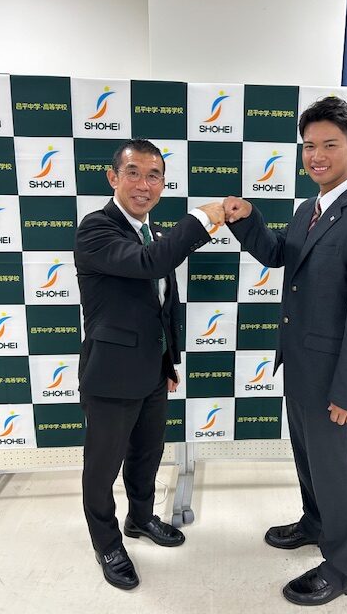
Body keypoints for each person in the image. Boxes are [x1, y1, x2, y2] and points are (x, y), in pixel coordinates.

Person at [223, 97, 347, 606]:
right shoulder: (311, 207)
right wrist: (248, 218)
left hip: (338, 380)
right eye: (308, 146)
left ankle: (346, 569)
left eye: (329, 145)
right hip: (301, 366)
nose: (317, 156)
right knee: (310, 462)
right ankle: (316, 523)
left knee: (339, 474)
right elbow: (280, 253)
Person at [74, 138, 224, 590]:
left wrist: (169, 360)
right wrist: (201, 219)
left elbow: (163, 305)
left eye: (154, 175)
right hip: (110, 374)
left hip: (153, 371)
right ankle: (106, 543)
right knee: (102, 468)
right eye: (134, 173)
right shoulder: (96, 229)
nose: (144, 184)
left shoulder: (153, 233)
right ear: (113, 177)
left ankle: (140, 519)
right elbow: (146, 264)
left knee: (147, 455)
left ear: (162, 183)